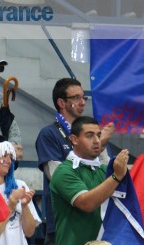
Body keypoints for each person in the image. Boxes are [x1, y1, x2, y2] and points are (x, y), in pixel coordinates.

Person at [35, 78, 114, 244]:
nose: (82, 102)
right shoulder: (49, 134)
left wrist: (99, 144)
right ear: (61, 102)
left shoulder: (92, 131)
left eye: (83, 97)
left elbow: (107, 170)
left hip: (97, 220)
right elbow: (57, 175)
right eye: (76, 98)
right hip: (64, 221)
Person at [50, 116, 129, 245]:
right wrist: (116, 177)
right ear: (74, 139)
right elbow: (87, 204)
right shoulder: (64, 172)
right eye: (89, 136)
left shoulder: (105, 170)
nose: (97, 140)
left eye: (98, 135)